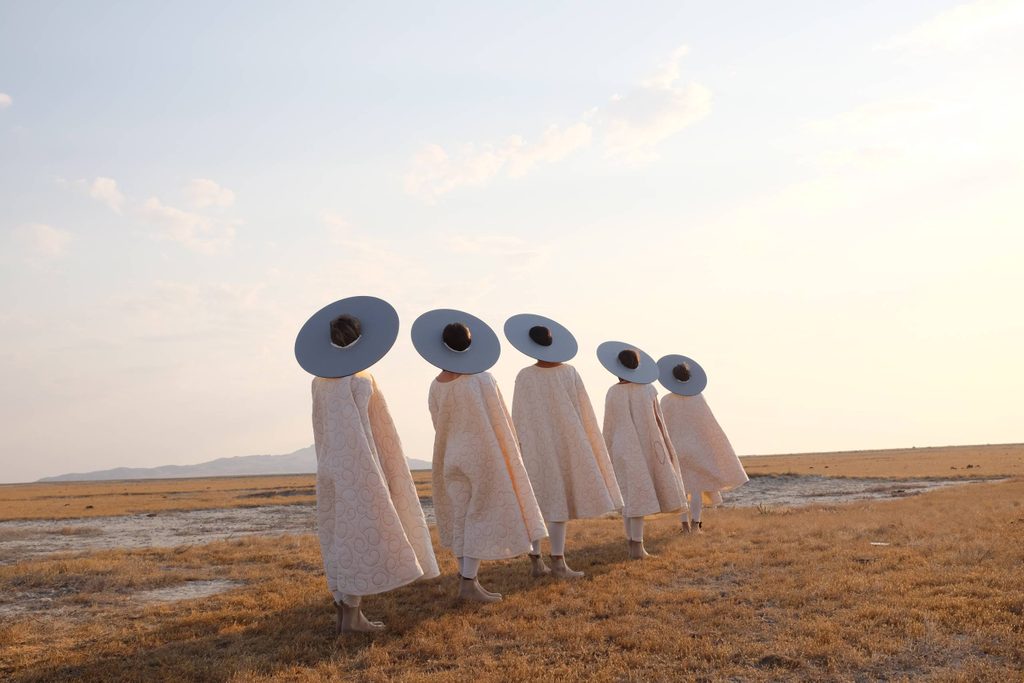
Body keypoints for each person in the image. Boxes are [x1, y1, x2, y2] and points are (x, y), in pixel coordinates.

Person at [295, 296, 439, 634]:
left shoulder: (319, 382)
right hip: (364, 469)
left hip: (330, 468)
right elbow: (379, 429)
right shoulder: (362, 380)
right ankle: (353, 615)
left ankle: (347, 614)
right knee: (360, 535)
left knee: (340, 536)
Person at [412, 308, 547, 602]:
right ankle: (468, 582)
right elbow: (501, 420)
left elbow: (438, 421)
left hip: (449, 454)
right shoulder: (482, 379)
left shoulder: (436, 385)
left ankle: (467, 581)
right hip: (484, 454)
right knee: (480, 515)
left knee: (461, 515)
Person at [504, 313, 622, 579]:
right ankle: (557, 562)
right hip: (566, 441)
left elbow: (518, 414)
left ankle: (536, 561)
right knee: (557, 504)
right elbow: (583, 411)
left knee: (536, 501)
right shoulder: (569, 372)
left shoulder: (524, 376)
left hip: (533, 444)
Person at [598, 341, 687, 559]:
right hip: (645, 446)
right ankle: (637, 547)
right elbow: (658, 422)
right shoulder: (649, 389)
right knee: (637, 496)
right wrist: (665, 446)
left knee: (629, 495)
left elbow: (608, 424)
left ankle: (632, 542)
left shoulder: (612, 392)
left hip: (621, 447)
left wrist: (607, 449)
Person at [657, 354, 748, 532]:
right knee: (696, 488)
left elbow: (662, 426)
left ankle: (684, 525)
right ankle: (696, 524)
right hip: (696, 448)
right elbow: (708, 424)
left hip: (675, 448)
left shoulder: (666, 400)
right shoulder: (697, 398)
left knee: (681, 489)